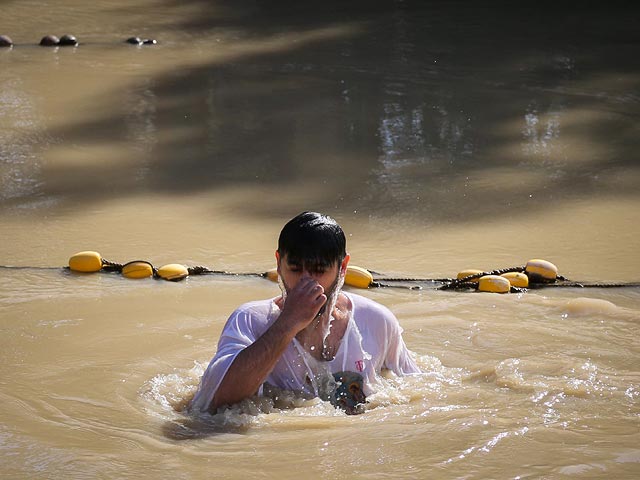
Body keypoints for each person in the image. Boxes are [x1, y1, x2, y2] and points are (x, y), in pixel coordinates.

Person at [190, 211, 420, 414]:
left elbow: (416, 392)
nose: (306, 282)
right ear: (279, 263)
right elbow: (215, 404)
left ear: (343, 268)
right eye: (295, 269)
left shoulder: (376, 320)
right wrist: (287, 324)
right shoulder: (251, 320)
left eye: (319, 270)